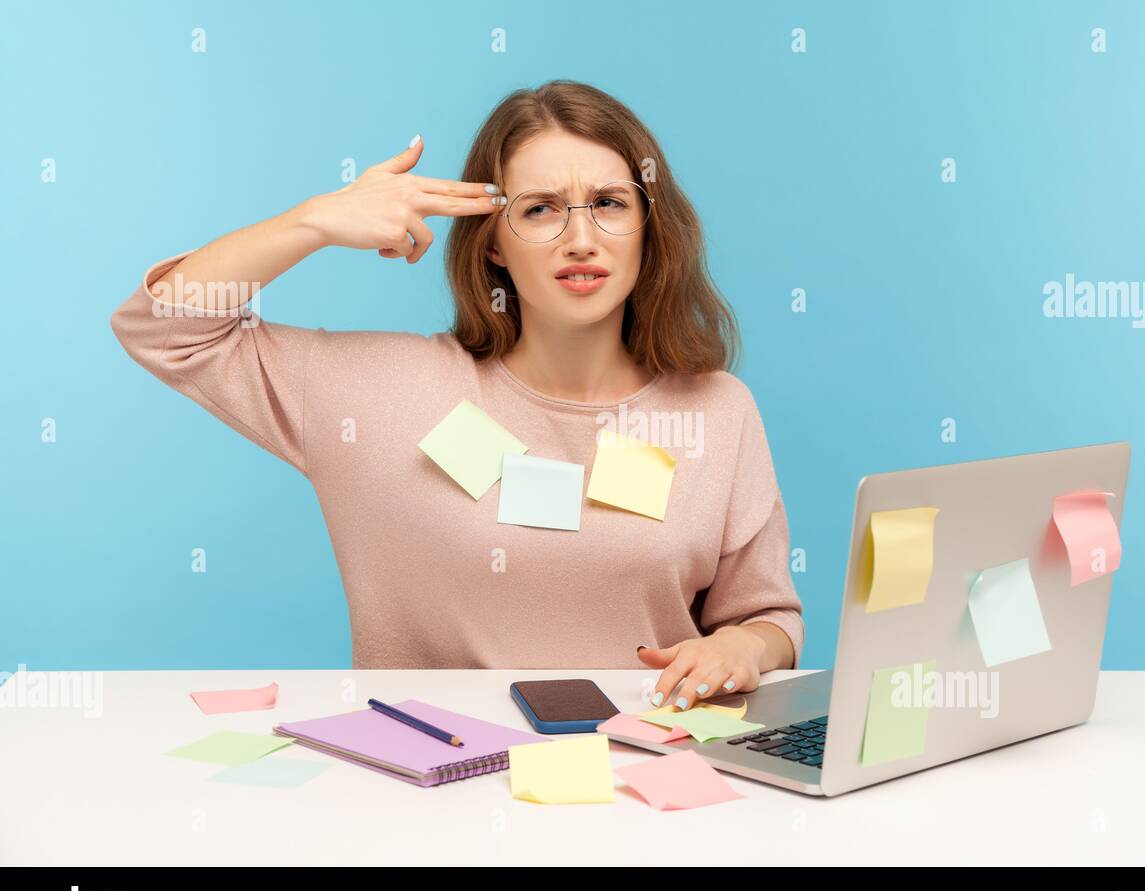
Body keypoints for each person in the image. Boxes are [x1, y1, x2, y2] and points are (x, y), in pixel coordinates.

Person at [109, 80, 803, 713]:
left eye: (609, 204)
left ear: (650, 226)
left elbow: (768, 617)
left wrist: (746, 648)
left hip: (650, 790)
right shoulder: (381, 394)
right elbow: (164, 327)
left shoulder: (717, 411)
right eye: (540, 210)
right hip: (437, 797)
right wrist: (313, 222)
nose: (581, 238)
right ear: (493, 243)